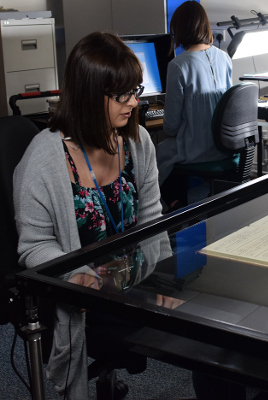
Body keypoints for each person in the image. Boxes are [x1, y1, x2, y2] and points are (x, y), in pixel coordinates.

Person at [13, 31, 168, 399]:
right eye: (122, 95)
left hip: (132, 284)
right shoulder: (44, 160)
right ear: (88, 94)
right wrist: (76, 275)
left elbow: (152, 219)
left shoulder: (136, 142)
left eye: (136, 91)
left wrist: (165, 279)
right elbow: (34, 246)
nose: (133, 103)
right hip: (81, 297)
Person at [156, 0, 232, 212]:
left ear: (178, 30)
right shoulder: (224, 58)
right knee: (171, 154)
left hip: (198, 148)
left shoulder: (178, 66)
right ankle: (179, 205)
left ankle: (175, 207)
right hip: (225, 147)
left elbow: (170, 126)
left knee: (157, 156)